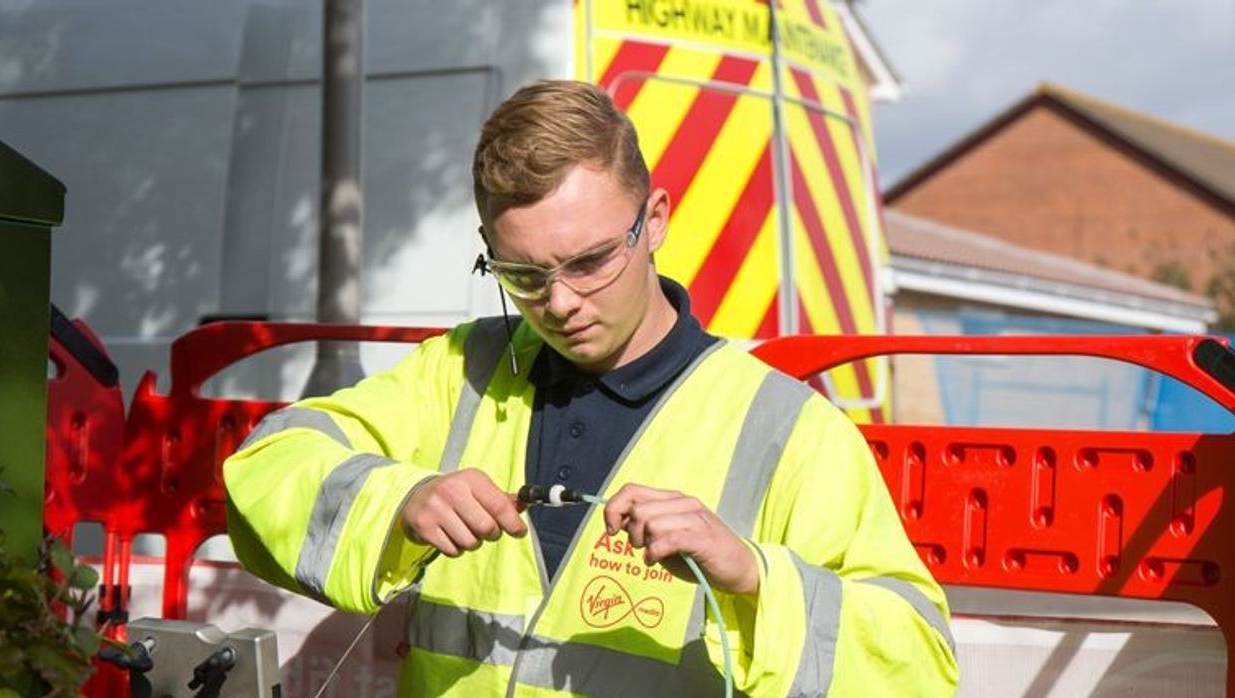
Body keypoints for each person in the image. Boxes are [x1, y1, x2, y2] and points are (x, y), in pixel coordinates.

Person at [224, 79, 959, 697]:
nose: (562, 302)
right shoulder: (460, 369)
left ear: (657, 221)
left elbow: (919, 663)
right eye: (522, 277)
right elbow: (267, 468)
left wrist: (753, 577)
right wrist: (397, 503)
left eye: (590, 261)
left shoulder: (784, 426)